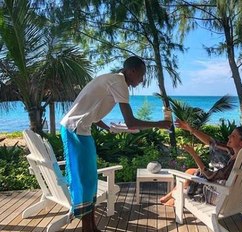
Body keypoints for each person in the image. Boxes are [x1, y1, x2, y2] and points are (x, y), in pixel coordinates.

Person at [60, 56, 171, 232]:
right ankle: (87, 228)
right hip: (75, 129)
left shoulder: (110, 79)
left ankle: (91, 227)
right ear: (131, 71)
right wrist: (160, 124)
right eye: (141, 76)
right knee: (85, 181)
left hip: (82, 129)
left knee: (90, 181)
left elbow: (93, 115)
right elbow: (131, 123)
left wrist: (109, 129)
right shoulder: (119, 83)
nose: (142, 80)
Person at [159, 119, 242, 206]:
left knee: (187, 181)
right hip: (239, 195)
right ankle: (170, 196)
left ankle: (174, 195)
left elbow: (209, 176)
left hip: (218, 195)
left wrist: (193, 153)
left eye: (233, 136)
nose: (229, 136)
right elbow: (212, 142)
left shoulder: (235, 163)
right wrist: (190, 129)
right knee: (191, 171)